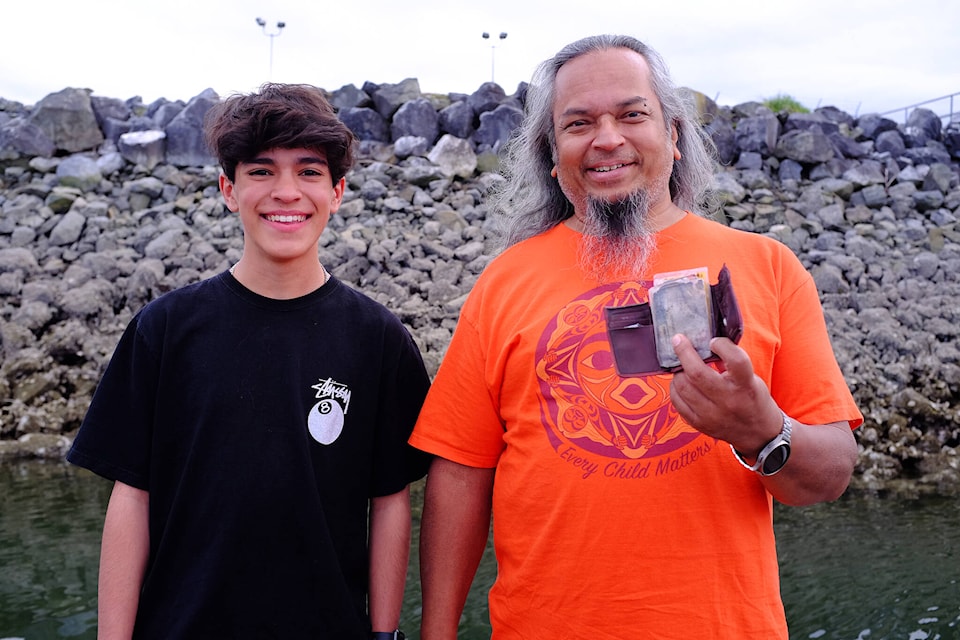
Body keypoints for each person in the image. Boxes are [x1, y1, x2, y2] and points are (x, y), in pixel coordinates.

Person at [409, 35, 862, 639]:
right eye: (578, 123)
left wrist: (761, 431)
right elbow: (462, 473)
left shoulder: (768, 267)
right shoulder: (504, 281)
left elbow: (829, 477)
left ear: (674, 136)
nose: (606, 138)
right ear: (553, 152)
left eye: (631, 114)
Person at [67, 83, 428, 640]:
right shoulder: (164, 329)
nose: (287, 192)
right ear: (228, 189)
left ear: (338, 192)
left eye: (309, 172)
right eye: (261, 171)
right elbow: (131, 496)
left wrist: (383, 633)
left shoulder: (377, 339)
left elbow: (389, 502)